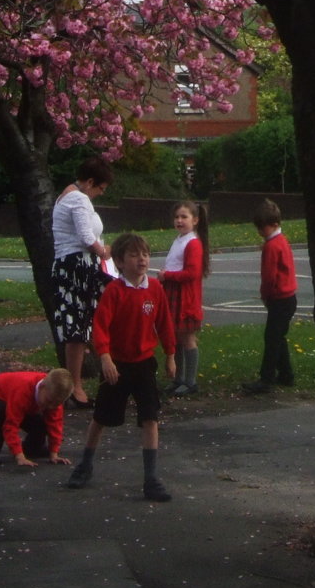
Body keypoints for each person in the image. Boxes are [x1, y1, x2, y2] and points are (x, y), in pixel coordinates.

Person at [64, 232, 176, 500]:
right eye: (134, 255)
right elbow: (100, 326)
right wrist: (104, 356)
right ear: (120, 262)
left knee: (150, 417)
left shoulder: (155, 289)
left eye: (145, 254)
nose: (141, 260)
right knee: (102, 418)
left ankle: (151, 478)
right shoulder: (115, 291)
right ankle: (85, 464)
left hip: (144, 364)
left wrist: (170, 355)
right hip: (117, 365)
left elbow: (164, 324)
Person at [49, 157, 113, 408]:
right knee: (77, 328)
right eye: (100, 188)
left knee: (79, 326)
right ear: (89, 182)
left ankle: (74, 384)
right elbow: (87, 237)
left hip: (72, 265)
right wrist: (104, 252)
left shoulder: (68, 195)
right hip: (77, 266)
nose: (99, 194)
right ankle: (75, 386)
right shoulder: (79, 198)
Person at [242, 200, 298, 395]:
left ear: (272, 224)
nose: (260, 231)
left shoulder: (271, 246)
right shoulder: (282, 241)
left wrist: (265, 295)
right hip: (288, 297)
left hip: (279, 298)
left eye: (261, 227)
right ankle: (286, 374)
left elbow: (269, 276)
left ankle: (267, 378)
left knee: (272, 337)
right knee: (278, 336)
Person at [0, 367, 75, 467]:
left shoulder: (52, 396)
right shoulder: (23, 390)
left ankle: (32, 448)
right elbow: (11, 425)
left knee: (41, 423)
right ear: (41, 387)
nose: (51, 406)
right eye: (49, 401)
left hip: (20, 403)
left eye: (56, 404)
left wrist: (54, 454)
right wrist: (19, 456)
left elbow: (55, 425)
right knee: (2, 414)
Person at [159, 200, 209, 397]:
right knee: (176, 338)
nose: (179, 220)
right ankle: (178, 378)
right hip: (173, 292)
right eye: (177, 217)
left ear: (195, 220)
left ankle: (190, 381)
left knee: (187, 338)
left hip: (185, 297)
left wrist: (167, 276)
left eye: (184, 217)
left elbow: (191, 273)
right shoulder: (179, 239)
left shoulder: (193, 243)